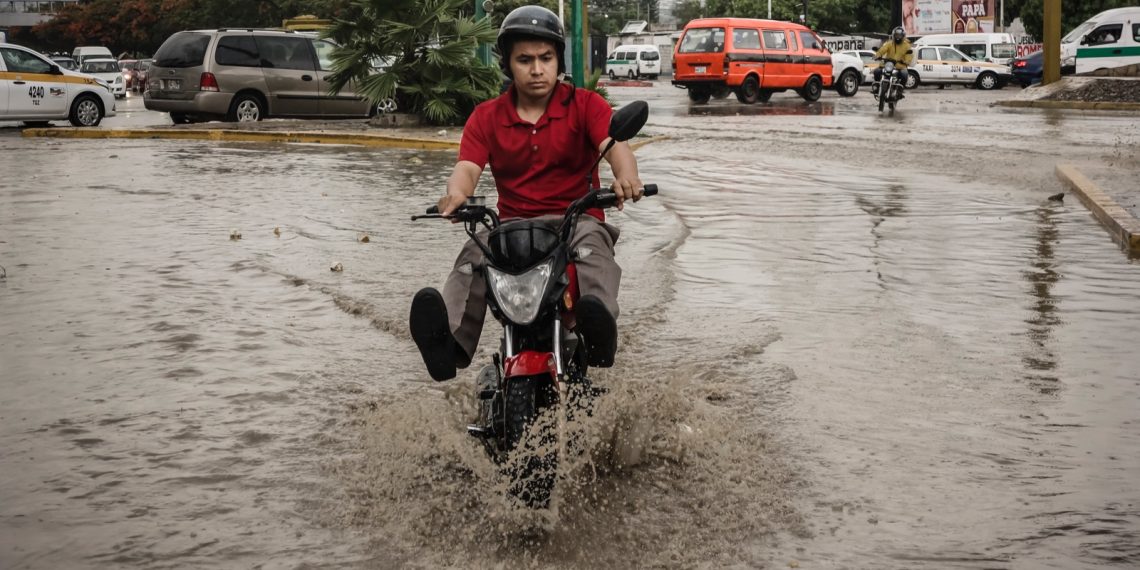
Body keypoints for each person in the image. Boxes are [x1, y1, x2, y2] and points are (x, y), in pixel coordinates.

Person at [408, 5, 644, 382]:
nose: (537, 69)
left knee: (593, 248)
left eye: (545, 58)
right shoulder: (486, 116)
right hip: (513, 229)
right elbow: (467, 168)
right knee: (474, 251)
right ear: (508, 64)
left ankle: (598, 328)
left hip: (576, 221)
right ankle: (449, 344)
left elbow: (615, 147)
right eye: (525, 59)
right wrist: (455, 196)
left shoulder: (586, 105)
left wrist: (626, 178)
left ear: (558, 60)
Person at [873, 26, 914, 97]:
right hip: (888, 64)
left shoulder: (907, 45)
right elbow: (882, 49)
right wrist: (877, 55)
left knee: (904, 74)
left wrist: (906, 61)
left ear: (903, 36)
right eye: (896, 35)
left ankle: (900, 91)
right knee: (877, 71)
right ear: (893, 35)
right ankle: (877, 86)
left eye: (899, 35)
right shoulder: (889, 43)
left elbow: (909, 55)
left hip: (900, 66)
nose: (898, 37)